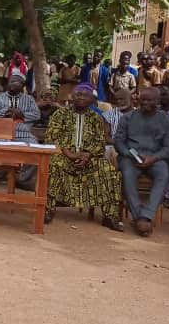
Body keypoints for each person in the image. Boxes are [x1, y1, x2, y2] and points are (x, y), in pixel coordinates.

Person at [44, 84, 124, 230]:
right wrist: (70, 154)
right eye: (78, 94)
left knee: (108, 170)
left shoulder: (96, 118)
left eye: (85, 95)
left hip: (89, 158)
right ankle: (47, 209)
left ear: (92, 99)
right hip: (63, 155)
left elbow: (100, 142)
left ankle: (110, 216)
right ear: (72, 97)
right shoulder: (60, 113)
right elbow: (52, 137)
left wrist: (88, 155)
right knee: (52, 166)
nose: (81, 97)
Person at [115, 88, 169, 237]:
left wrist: (154, 158)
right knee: (127, 174)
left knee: (163, 174)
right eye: (143, 99)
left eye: (149, 100)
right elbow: (119, 142)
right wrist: (129, 154)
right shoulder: (127, 118)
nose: (145, 103)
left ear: (158, 101)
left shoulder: (166, 120)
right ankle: (139, 218)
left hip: (155, 158)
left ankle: (146, 215)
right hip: (130, 157)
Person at [0, 75, 41, 189]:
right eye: (12, 81)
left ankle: (22, 180)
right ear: (7, 84)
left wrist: (21, 114)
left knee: (36, 151)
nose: (14, 83)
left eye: (18, 82)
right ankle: (2, 173)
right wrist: (6, 111)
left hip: (22, 133)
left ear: (22, 86)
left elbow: (37, 115)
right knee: (0, 150)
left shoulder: (29, 99)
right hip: (1, 134)